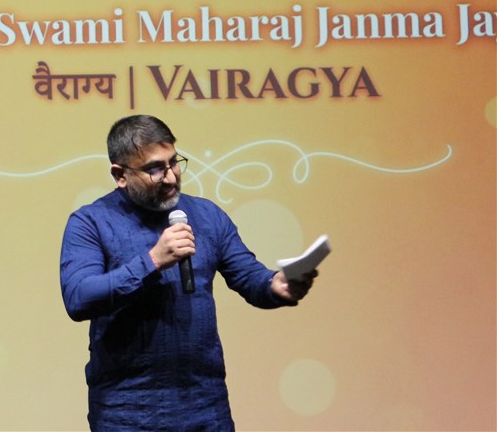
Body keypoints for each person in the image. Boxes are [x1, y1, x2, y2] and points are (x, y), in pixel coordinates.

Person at [59, 114, 316, 431]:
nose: (170, 177)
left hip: (205, 406)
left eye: (174, 162)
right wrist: (152, 261)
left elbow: (250, 278)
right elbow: (79, 297)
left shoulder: (207, 216)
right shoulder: (90, 222)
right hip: (126, 411)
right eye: (155, 169)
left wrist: (277, 285)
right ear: (120, 174)